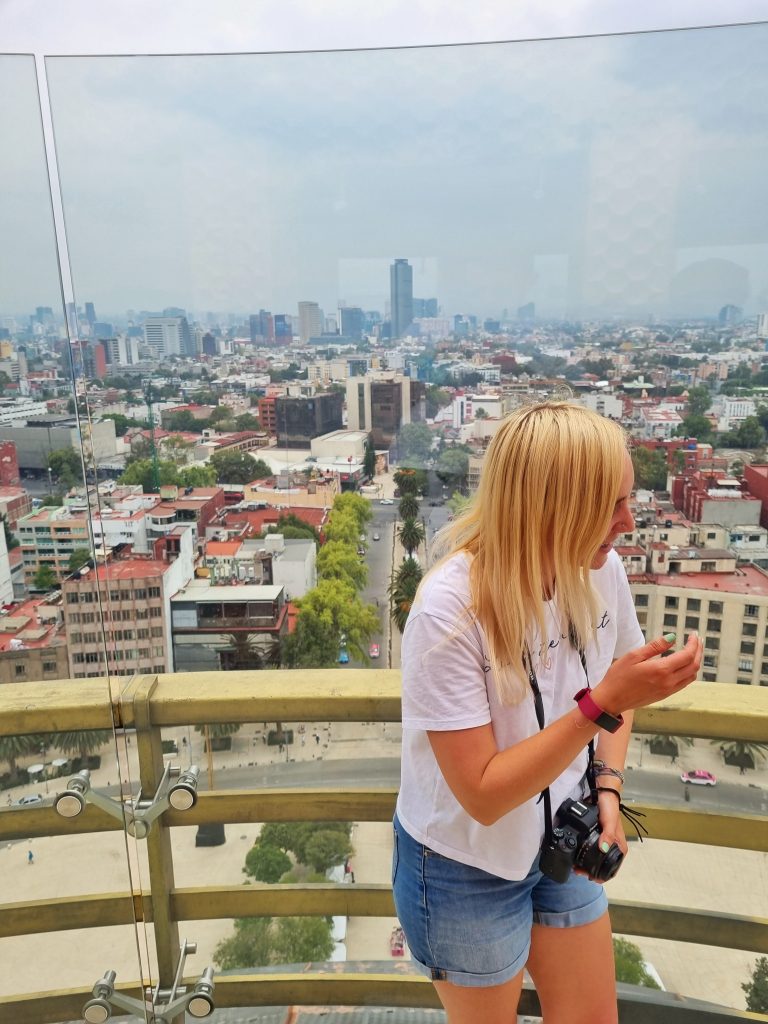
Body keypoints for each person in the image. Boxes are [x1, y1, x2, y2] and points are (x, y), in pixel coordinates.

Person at [392, 402, 702, 1024]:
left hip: (566, 831)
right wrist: (601, 705)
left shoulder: (600, 570)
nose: (628, 521)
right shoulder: (448, 612)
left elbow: (621, 691)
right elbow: (482, 794)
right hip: (465, 865)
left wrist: (607, 788)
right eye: (610, 504)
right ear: (553, 508)